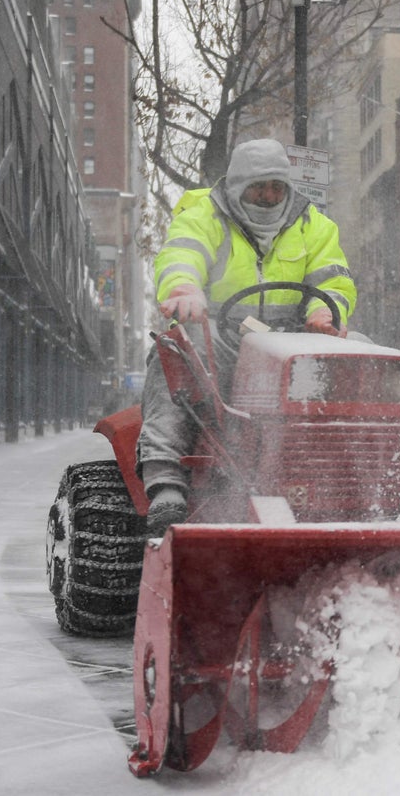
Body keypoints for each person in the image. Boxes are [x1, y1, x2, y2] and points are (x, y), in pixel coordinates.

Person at [137, 138, 357, 530]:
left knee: (362, 356)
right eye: (259, 187)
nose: (269, 195)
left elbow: (333, 277)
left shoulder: (314, 225)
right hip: (221, 339)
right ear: (237, 186)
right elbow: (182, 254)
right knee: (173, 352)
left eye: (277, 186)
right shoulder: (204, 215)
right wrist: (185, 288)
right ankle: (166, 481)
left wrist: (326, 309)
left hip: (294, 341)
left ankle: (364, 480)